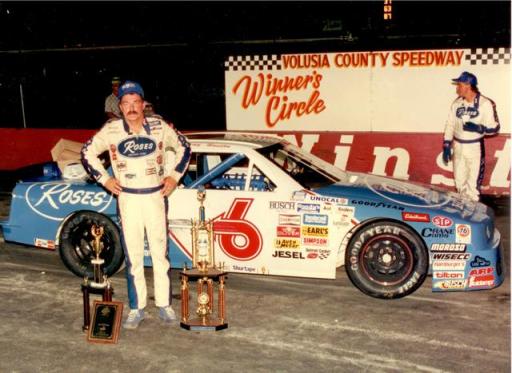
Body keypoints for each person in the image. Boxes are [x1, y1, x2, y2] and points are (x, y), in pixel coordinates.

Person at [82, 81, 191, 329]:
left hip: (155, 196)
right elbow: (87, 152)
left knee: (159, 252)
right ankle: (136, 308)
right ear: (119, 106)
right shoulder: (111, 130)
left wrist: (174, 177)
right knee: (133, 255)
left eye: (135, 102)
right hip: (128, 198)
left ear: (143, 104)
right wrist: (105, 179)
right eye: (126, 103)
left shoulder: (159, 126)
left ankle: (164, 304)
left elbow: (184, 147)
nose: (131, 108)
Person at [442, 71, 500, 202]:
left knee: (472, 186)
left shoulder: (485, 103)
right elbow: (450, 124)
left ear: (468, 86)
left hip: (474, 146)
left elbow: (495, 128)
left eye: (459, 85)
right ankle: (463, 213)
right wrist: (446, 144)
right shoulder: (457, 103)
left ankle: (473, 216)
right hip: (458, 146)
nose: (457, 88)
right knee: (459, 183)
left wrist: (479, 128)